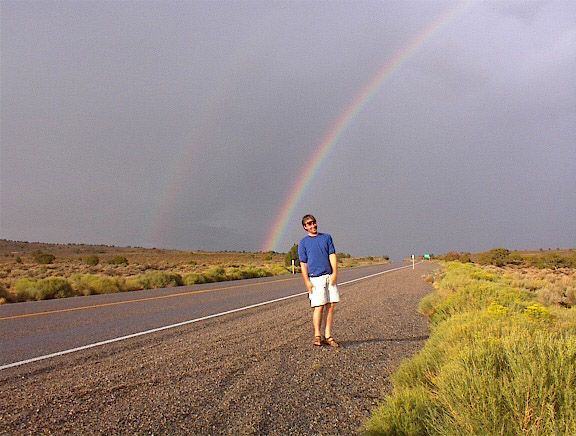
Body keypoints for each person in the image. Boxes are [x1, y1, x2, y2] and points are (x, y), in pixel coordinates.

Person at [298, 214, 340, 348]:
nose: (313, 225)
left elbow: (332, 255)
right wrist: (307, 281)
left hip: (328, 275)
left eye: (314, 222)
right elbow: (303, 263)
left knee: (331, 305)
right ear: (305, 227)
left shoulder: (326, 237)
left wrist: (334, 273)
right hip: (315, 278)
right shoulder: (303, 242)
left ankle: (328, 335)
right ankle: (317, 335)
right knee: (319, 306)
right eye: (309, 224)